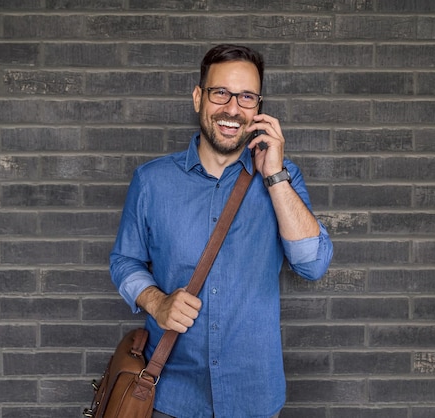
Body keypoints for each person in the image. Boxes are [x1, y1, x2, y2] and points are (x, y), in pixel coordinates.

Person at [110, 44, 333, 418]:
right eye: (221, 93)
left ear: (258, 108)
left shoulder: (283, 179)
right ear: (199, 97)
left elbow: (312, 265)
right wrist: (157, 303)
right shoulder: (151, 181)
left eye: (246, 97)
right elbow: (124, 260)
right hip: (169, 395)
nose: (233, 108)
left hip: (253, 395)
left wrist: (275, 176)